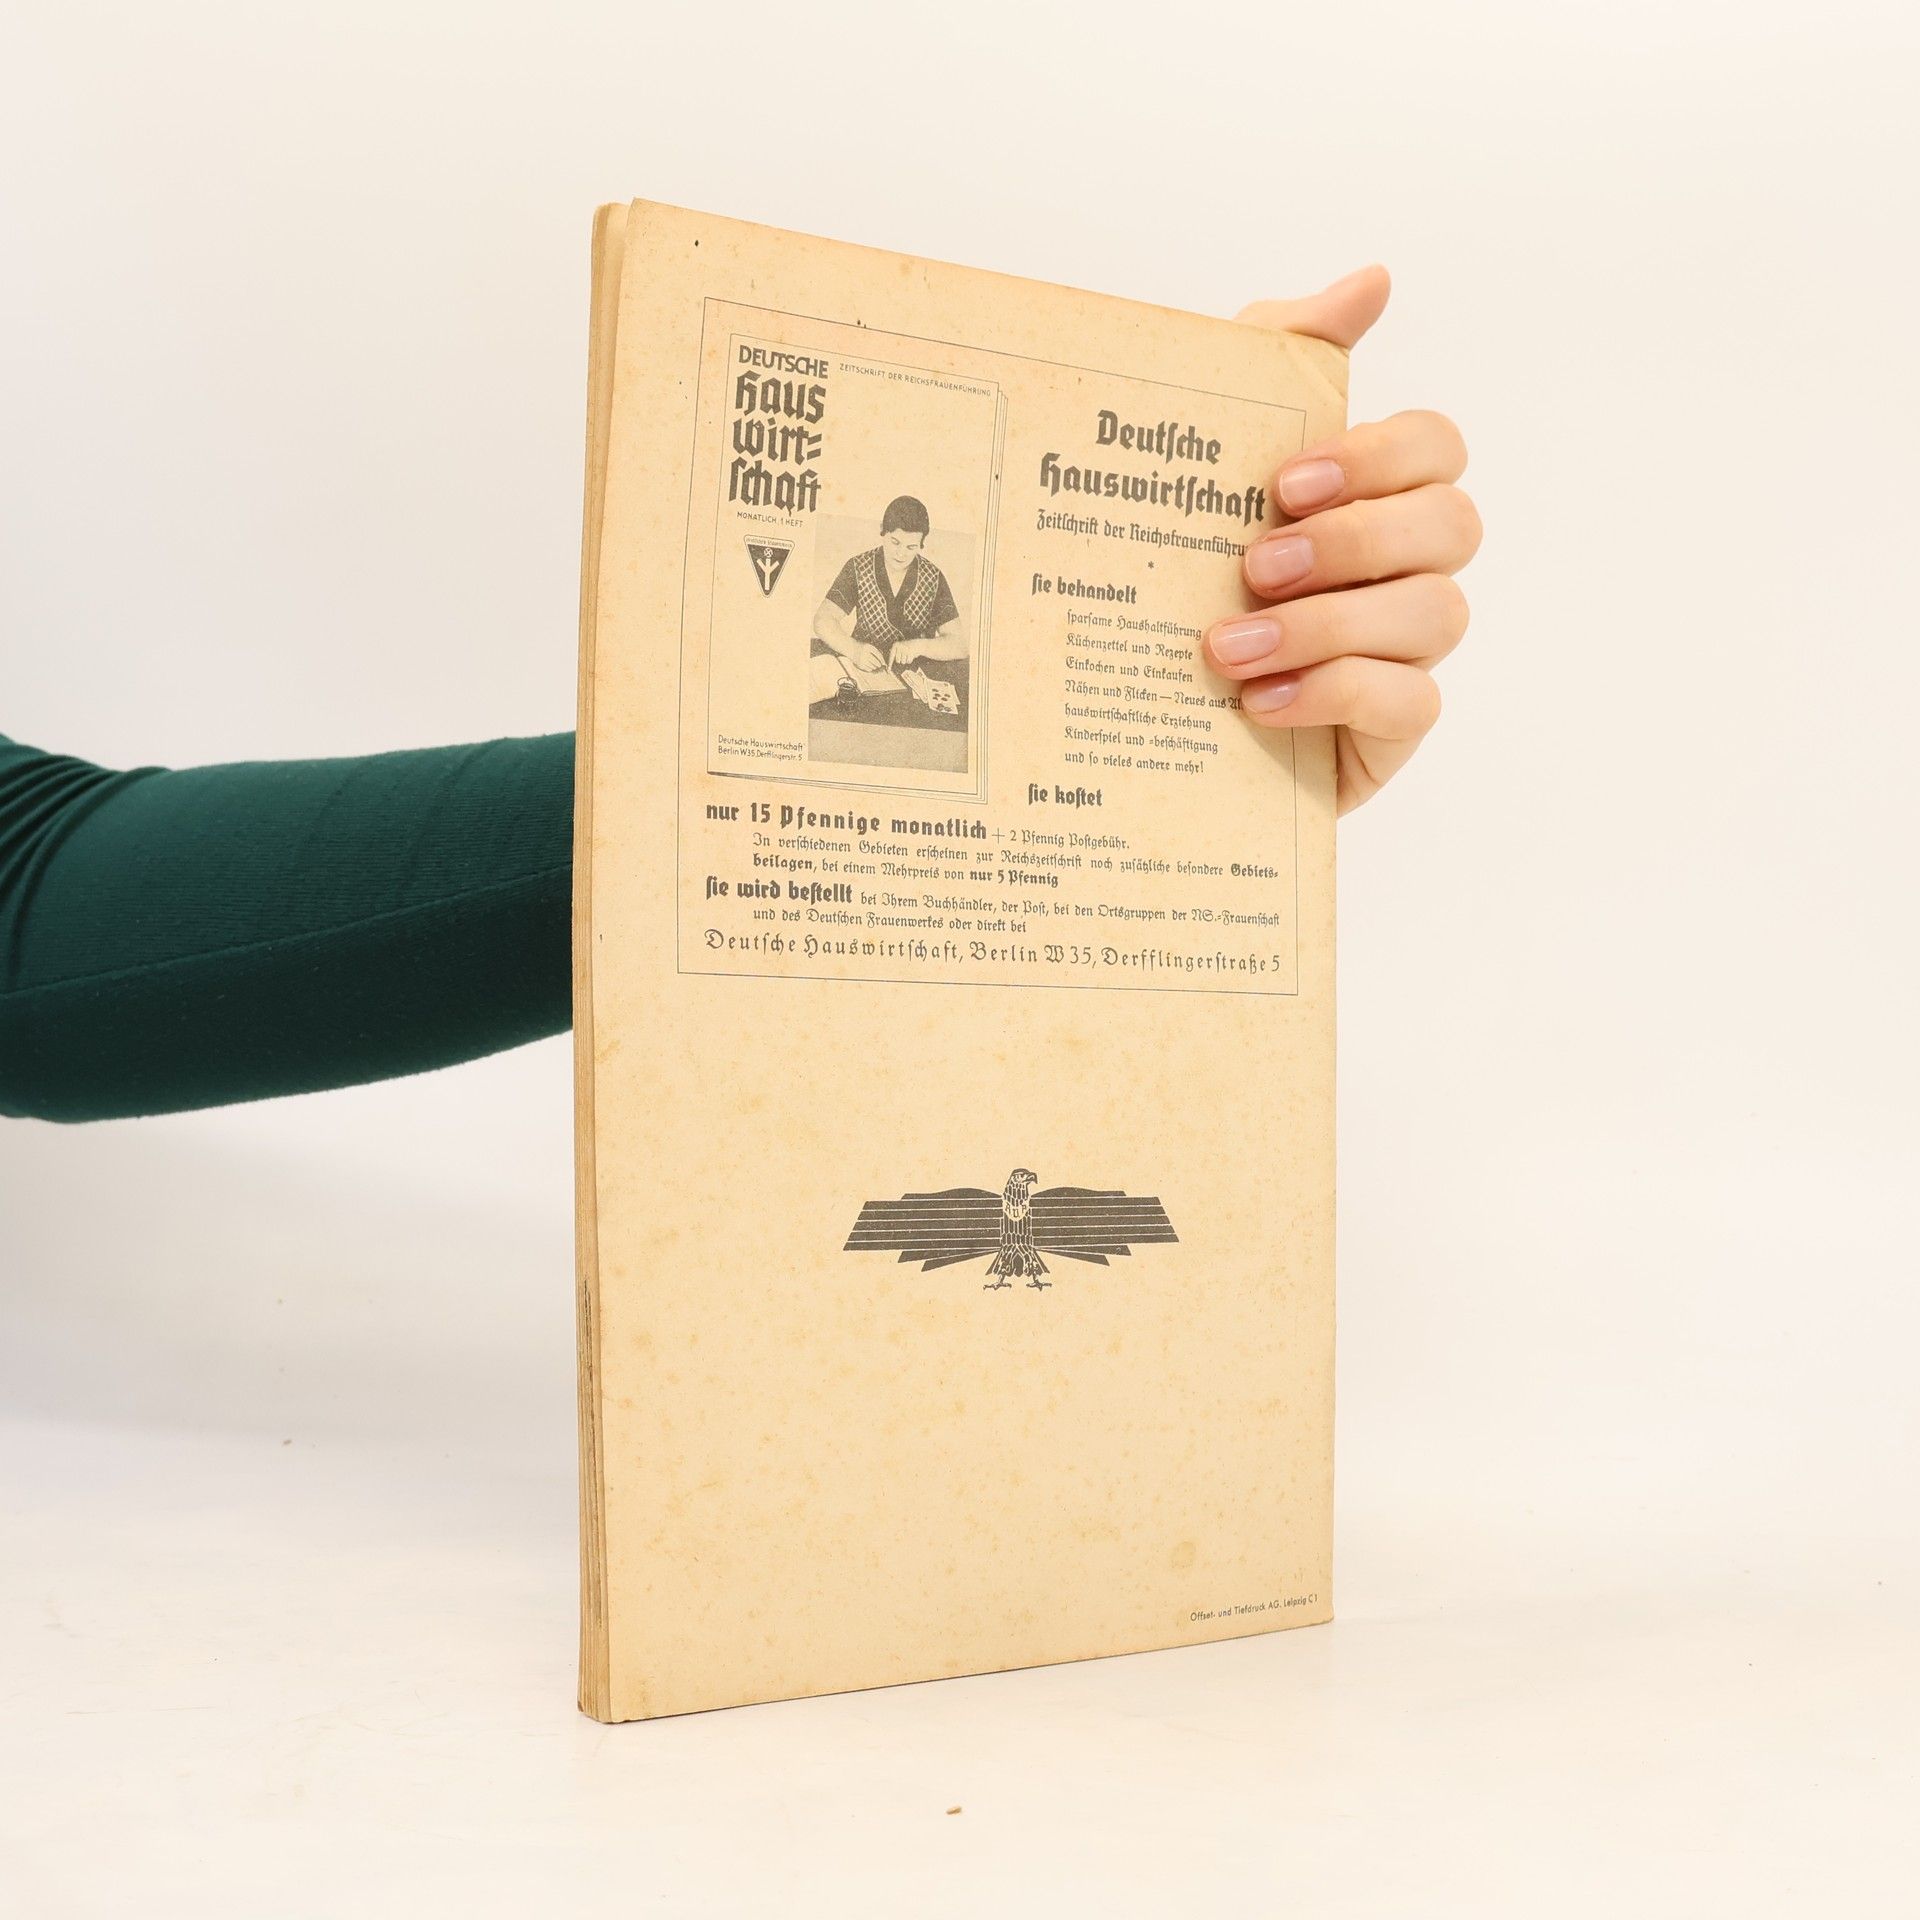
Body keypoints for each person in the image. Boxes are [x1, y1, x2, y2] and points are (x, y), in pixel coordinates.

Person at [0, 268, 1478, 1125]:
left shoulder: (921, 586)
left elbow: (42, 907)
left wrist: (1104, 697)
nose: (905, 551)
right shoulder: (866, 586)